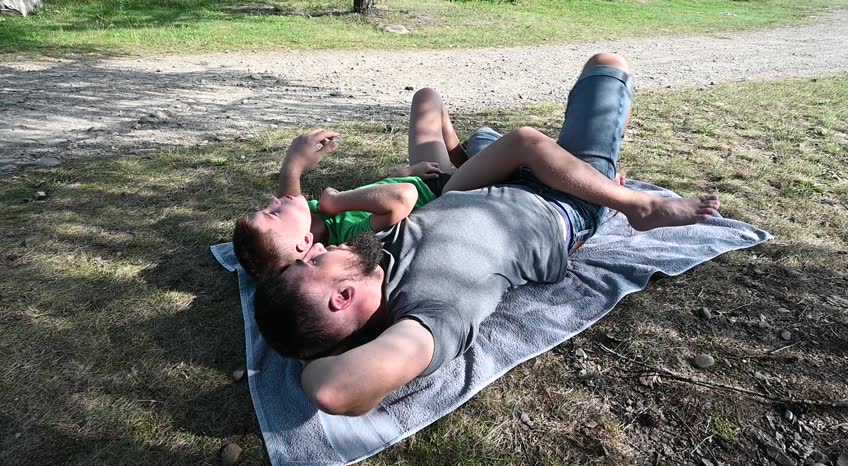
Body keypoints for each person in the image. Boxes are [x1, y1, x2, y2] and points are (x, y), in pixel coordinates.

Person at [254, 53, 721, 416]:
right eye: (315, 262)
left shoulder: (371, 255)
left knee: (493, 136)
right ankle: (636, 206)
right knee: (606, 66)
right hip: (564, 202)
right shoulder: (432, 310)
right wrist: (324, 354)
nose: (319, 249)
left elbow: (283, 244)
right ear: (342, 298)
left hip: (490, 178)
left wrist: (292, 171)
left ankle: (554, 160)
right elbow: (333, 390)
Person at [232, 93, 469, 279]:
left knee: (427, 97)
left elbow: (288, 203)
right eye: (272, 212)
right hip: (447, 190)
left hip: (422, 174)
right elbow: (401, 197)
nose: (274, 200)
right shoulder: (349, 236)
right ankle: (472, 164)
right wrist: (337, 201)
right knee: (505, 151)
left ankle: (466, 161)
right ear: (305, 241)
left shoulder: (310, 217)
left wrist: (292, 165)